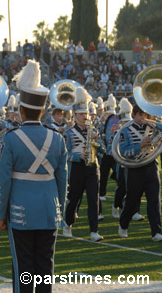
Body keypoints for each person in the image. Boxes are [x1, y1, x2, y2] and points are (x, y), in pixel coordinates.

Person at [0, 60, 67, 292]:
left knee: (23, 271)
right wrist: (60, 210)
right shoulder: (57, 138)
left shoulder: (11, 138)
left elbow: (4, 182)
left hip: (21, 212)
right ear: (44, 110)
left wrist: (1, 213)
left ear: (21, 110)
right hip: (49, 211)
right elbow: (62, 180)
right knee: (45, 269)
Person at [63, 87, 104, 242]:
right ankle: (68, 223)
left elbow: (103, 150)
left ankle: (94, 230)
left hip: (93, 168)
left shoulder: (93, 130)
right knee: (74, 198)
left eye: (86, 114)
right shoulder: (68, 133)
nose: (84, 116)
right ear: (75, 115)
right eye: (81, 114)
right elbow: (65, 154)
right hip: (77, 169)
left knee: (93, 199)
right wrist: (78, 155)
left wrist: (96, 140)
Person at [118, 104, 162, 242]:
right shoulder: (125, 131)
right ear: (133, 115)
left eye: (145, 115)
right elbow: (124, 152)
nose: (143, 118)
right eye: (140, 115)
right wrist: (140, 146)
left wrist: (155, 122)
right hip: (134, 169)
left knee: (154, 200)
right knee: (132, 200)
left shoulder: (152, 127)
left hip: (151, 166)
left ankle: (156, 231)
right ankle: (123, 224)